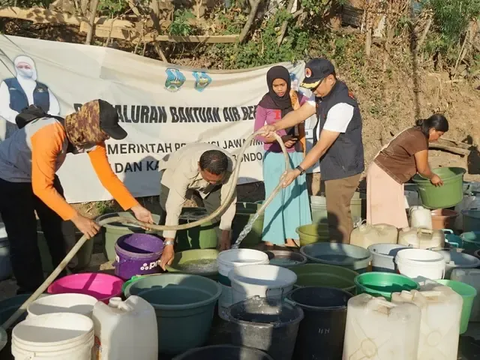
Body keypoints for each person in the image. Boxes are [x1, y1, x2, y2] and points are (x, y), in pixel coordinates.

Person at [0, 99, 153, 293]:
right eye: (105, 132)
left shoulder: (92, 139)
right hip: (10, 176)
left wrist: (135, 207)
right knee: (24, 238)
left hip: (40, 176)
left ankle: (62, 280)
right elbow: (42, 188)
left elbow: (108, 177)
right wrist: (77, 217)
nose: (106, 138)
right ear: (89, 124)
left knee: (59, 230)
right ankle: (29, 292)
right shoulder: (50, 132)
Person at [261, 58, 365, 243]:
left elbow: (322, 145)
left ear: (330, 79)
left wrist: (298, 171)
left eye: (316, 86)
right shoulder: (321, 94)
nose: (313, 91)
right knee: (334, 213)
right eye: (310, 87)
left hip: (343, 166)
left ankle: (340, 260)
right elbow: (300, 113)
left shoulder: (341, 104)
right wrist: (275, 126)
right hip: (333, 162)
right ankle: (337, 254)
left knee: (338, 216)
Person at [254, 65, 312, 247]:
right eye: (276, 85)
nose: (280, 89)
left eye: (282, 84)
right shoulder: (264, 104)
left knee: (294, 196)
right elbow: (258, 133)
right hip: (274, 155)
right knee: (274, 195)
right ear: (270, 85)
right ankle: (272, 237)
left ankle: (291, 236)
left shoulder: (297, 99)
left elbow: (310, 110)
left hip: (295, 156)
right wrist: (280, 138)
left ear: (288, 83)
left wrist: (292, 139)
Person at [158, 143, 237, 270]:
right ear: (199, 166)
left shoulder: (231, 166)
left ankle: (225, 253)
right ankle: (165, 252)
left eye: (216, 180)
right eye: (209, 179)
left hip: (208, 176)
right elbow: (174, 206)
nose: (212, 182)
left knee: (219, 214)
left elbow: (229, 201)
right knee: (167, 210)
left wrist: (225, 233)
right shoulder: (185, 166)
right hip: (174, 173)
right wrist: (169, 243)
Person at [367, 114, 448, 228]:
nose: (438, 138)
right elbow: (423, 169)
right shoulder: (419, 138)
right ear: (432, 129)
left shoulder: (417, 132)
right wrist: (433, 177)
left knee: (393, 217)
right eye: (439, 135)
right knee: (385, 219)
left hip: (389, 174)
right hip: (384, 174)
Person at [0, 55, 60, 140]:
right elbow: (3, 108)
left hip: (41, 130)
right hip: (16, 131)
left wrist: (43, 122)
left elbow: (54, 109)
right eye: (20, 66)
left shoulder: (43, 88)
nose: (23, 69)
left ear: (32, 68)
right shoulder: (8, 84)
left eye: (26, 67)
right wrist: (22, 119)